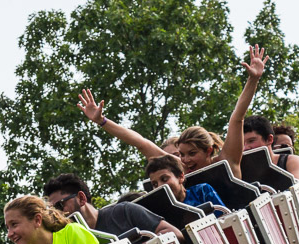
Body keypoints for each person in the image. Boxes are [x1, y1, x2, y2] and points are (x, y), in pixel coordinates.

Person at [78, 44, 269, 178]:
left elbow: (237, 118)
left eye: (192, 154)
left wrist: (253, 80)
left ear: (209, 150)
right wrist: (102, 121)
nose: (185, 160)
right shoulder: (181, 170)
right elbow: (141, 143)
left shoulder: (227, 161)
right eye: (182, 154)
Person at [42, 173, 184, 241]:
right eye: (52, 211)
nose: (58, 214)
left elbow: (175, 234)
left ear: (81, 198)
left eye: (60, 205)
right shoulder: (74, 240)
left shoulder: (124, 211)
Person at [243, 115, 299, 184]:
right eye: (242, 144)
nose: (246, 148)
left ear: (269, 139)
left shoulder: (291, 162)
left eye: (251, 141)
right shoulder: (242, 170)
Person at [146, 154, 226, 210]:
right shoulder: (160, 212)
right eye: (155, 184)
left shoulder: (202, 191)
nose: (160, 186)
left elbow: (224, 218)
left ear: (181, 177)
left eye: (164, 179)